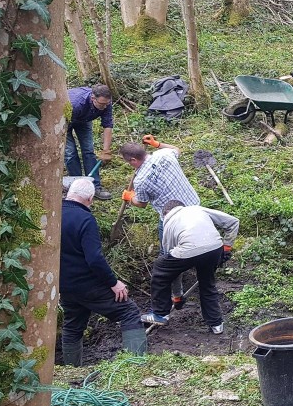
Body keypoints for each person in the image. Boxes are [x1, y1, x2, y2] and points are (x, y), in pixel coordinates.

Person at [59, 178, 146, 365]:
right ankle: (136, 365)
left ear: (69, 193)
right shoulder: (85, 219)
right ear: (90, 199)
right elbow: (95, 259)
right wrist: (113, 283)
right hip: (88, 284)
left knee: (73, 324)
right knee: (129, 311)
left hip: (64, 285)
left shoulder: (53, 214)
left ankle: (71, 369)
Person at [119, 137, 200, 311]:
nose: (128, 165)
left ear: (133, 160)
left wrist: (129, 197)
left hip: (173, 220)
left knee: (168, 260)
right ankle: (203, 269)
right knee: (198, 242)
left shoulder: (140, 180)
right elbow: (177, 148)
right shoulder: (164, 154)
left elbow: (141, 203)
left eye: (128, 162)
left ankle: (176, 297)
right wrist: (157, 144)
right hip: (195, 207)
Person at [141, 200, 239, 334]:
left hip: (189, 250)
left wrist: (177, 296)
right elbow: (233, 221)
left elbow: (173, 272)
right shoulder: (197, 209)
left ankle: (160, 314)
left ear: (166, 214)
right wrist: (226, 247)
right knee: (207, 283)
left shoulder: (169, 224)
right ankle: (216, 324)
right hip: (215, 248)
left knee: (160, 268)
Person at [66, 84, 115, 200]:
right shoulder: (77, 103)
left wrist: (106, 150)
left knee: (88, 151)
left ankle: (94, 186)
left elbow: (108, 125)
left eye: (106, 104)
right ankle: (77, 187)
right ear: (93, 98)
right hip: (65, 120)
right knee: (70, 153)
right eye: (101, 104)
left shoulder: (106, 102)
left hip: (84, 119)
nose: (104, 107)